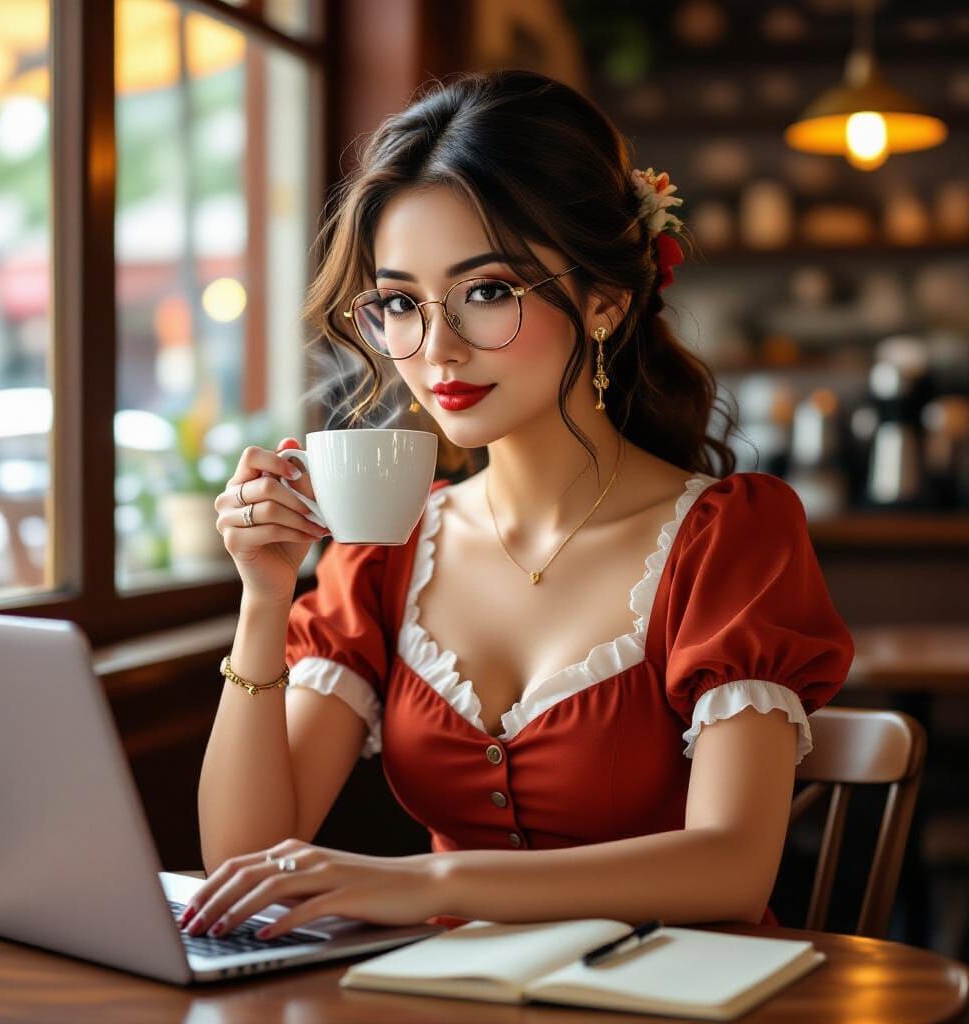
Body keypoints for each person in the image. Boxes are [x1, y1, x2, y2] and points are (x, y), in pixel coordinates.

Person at [180, 69, 855, 943]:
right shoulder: (385, 552)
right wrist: (264, 599)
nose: (436, 349)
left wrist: (425, 880)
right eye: (399, 304)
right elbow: (245, 859)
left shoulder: (729, 537)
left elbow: (731, 867)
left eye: (488, 291)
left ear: (605, 301)